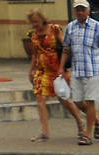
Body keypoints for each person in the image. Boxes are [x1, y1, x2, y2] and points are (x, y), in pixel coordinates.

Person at [25, 8, 86, 143]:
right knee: (40, 99)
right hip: (42, 70)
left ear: (42, 19)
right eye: (32, 22)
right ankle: (44, 132)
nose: (35, 24)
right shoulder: (33, 35)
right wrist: (31, 71)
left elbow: (65, 47)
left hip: (57, 69)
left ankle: (81, 124)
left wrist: (63, 67)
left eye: (36, 21)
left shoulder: (54, 29)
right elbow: (35, 55)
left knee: (64, 99)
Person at [60, 0, 99, 144]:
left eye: (83, 9)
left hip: (93, 70)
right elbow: (66, 49)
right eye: (78, 9)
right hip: (77, 70)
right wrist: (61, 67)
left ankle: (87, 135)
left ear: (88, 11)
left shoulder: (97, 26)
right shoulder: (70, 27)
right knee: (76, 101)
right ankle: (98, 119)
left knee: (90, 102)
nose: (80, 12)